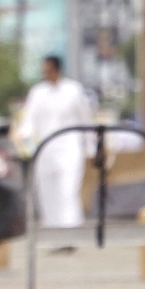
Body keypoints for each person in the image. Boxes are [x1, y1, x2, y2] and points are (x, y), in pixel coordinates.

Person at [18, 55, 94, 228]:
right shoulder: (38, 92)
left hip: (69, 148)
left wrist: (91, 149)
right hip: (45, 149)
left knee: (67, 190)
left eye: (48, 69)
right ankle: (53, 231)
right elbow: (28, 122)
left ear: (57, 69)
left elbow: (85, 122)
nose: (46, 73)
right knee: (47, 192)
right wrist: (23, 140)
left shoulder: (73, 90)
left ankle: (69, 231)